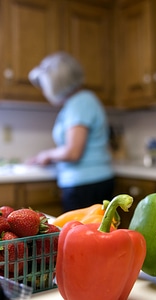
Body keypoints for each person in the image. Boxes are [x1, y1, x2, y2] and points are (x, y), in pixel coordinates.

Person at [28, 52, 115, 212]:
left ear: (57, 83)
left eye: (45, 86)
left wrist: (46, 155)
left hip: (86, 185)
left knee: (82, 236)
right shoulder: (81, 101)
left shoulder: (79, 103)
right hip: (92, 182)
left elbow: (73, 152)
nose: (44, 91)